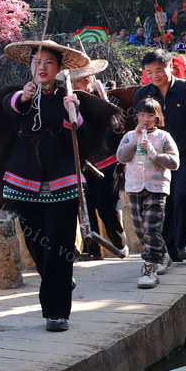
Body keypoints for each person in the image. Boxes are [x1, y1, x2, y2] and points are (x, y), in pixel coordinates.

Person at [0, 40, 117, 332]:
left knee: (60, 246)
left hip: (63, 180)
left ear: (59, 69)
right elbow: (7, 111)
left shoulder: (71, 98)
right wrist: (23, 99)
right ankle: (59, 279)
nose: (41, 67)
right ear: (30, 67)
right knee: (37, 244)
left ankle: (56, 311)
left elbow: (83, 142)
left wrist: (72, 115)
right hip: (22, 180)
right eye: (37, 62)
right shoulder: (19, 95)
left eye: (48, 62)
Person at [134, 49, 186, 262]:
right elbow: (137, 128)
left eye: (159, 70)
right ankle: (169, 249)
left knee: (182, 195)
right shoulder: (142, 95)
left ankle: (183, 244)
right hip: (156, 159)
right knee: (165, 200)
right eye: (150, 72)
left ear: (170, 66)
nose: (155, 76)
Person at [117, 98, 179, 287]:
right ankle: (163, 255)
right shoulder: (129, 135)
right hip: (134, 187)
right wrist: (134, 141)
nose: (145, 118)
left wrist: (154, 154)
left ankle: (150, 268)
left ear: (157, 117)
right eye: (142, 114)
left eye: (150, 115)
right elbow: (121, 157)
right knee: (140, 230)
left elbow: (174, 163)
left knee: (152, 228)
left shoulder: (164, 137)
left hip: (157, 188)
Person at [70, 59, 128, 260]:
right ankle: (92, 250)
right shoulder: (70, 102)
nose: (77, 86)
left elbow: (117, 127)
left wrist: (102, 95)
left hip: (105, 162)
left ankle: (119, 242)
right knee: (85, 206)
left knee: (106, 205)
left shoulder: (101, 100)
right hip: (82, 164)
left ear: (89, 80)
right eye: (74, 82)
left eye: (80, 82)